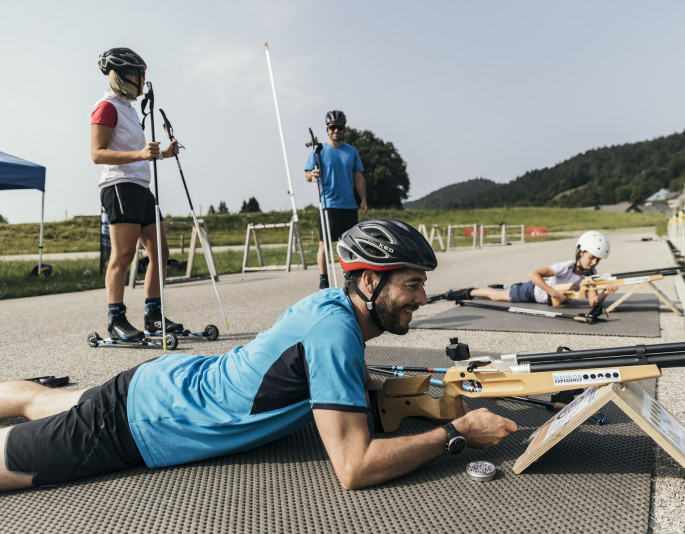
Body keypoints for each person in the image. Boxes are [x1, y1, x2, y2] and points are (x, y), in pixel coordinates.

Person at [0, 219, 516, 492]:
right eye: (412, 285)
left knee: (43, 400)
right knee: (12, 464)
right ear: (368, 280)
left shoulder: (336, 308)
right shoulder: (336, 333)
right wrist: (456, 435)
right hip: (142, 420)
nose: (422, 299)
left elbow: (324, 372)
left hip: (161, 382)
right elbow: (355, 468)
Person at [91, 47, 182, 342]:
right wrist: (142, 153)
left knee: (161, 253)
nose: (143, 80)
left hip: (141, 186)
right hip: (119, 186)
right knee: (124, 255)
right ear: (122, 76)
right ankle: (115, 320)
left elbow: (137, 154)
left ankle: (154, 316)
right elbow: (97, 154)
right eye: (137, 74)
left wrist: (162, 154)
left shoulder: (129, 109)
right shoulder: (106, 107)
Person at [441, 230, 618, 308]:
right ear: (580, 251)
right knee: (495, 295)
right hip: (532, 292)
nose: (594, 263)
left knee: (502, 292)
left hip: (544, 299)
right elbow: (533, 274)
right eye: (591, 257)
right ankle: (468, 292)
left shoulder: (592, 275)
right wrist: (554, 293)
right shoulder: (566, 267)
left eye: (598, 259)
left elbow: (593, 302)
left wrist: (605, 294)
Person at [305, 110, 369, 289]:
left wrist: (363, 199)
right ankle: (323, 280)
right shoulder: (318, 150)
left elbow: (359, 177)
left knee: (349, 244)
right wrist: (312, 175)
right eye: (333, 127)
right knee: (324, 245)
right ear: (327, 128)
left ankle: (350, 278)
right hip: (328, 205)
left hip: (349, 206)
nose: (336, 130)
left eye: (339, 127)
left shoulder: (351, 151)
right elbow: (308, 174)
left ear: (344, 127)